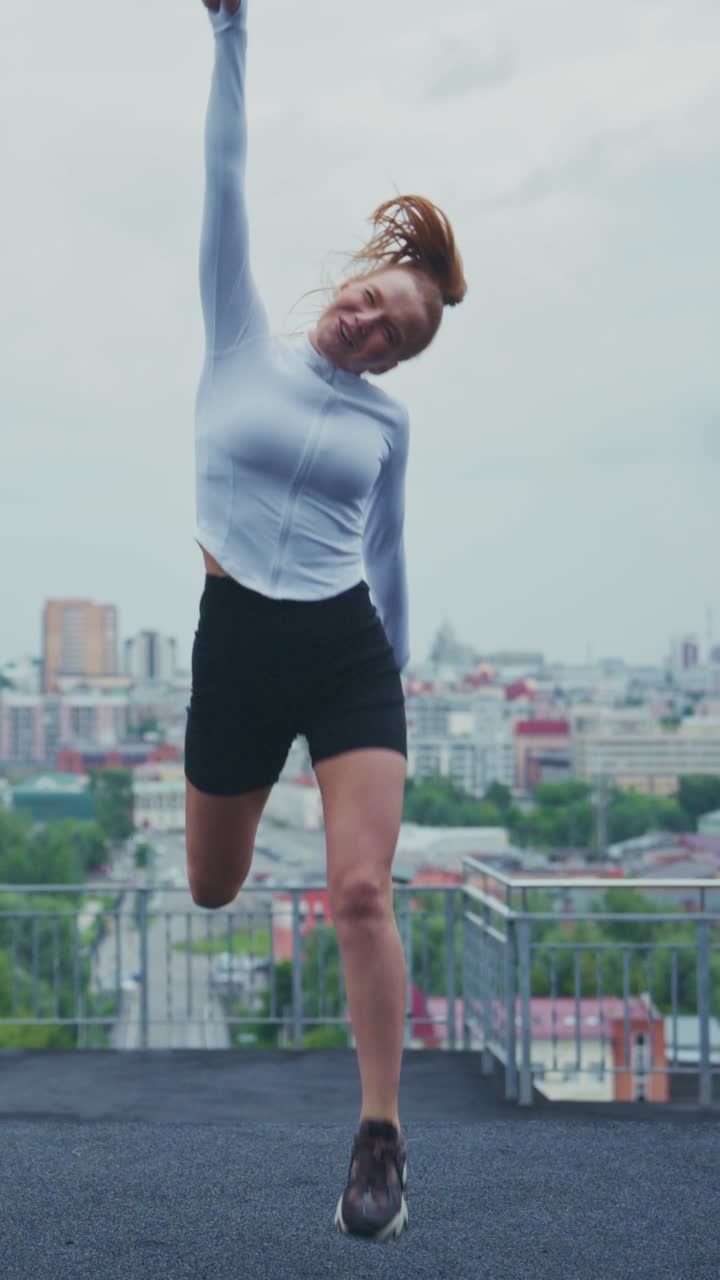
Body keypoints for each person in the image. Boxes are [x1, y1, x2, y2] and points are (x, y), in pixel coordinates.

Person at [190, 0, 467, 1243]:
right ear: (349, 279)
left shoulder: (386, 427)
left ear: (400, 364)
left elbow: (391, 557)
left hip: (349, 654)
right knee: (209, 886)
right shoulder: (238, 332)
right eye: (371, 299)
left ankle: (379, 1141)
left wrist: (386, 708)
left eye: (394, 334)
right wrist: (231, 31)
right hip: (238, 641)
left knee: (361, 888)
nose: (369, 324)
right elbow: (227, 169)